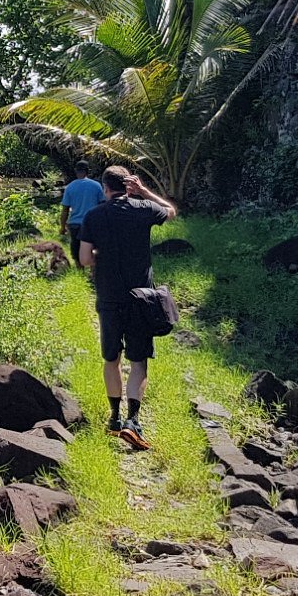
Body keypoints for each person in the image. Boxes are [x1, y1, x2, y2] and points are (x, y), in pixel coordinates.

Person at [77, 165, 177, 450]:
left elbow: (85, 259)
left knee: (111, 358)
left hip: (109, 297)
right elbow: (170, 211)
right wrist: (145, 192)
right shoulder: (145, 208)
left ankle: (114, 419)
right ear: (129, 186)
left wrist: (103, 254)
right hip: (141, 298)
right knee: (138, 361)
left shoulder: (94, 215)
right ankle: (133, 421)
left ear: (106, 188)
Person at [57, 160, 106, 269]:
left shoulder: (70, 187)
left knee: (76, 248)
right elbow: (102, 205)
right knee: (94, 248)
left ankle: (80, 271)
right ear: (88, 171)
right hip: (92, 223)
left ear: (76, 171)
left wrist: (62, 227)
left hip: (75, 224)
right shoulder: (96, 185)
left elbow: (65, 210)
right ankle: (93, 270)